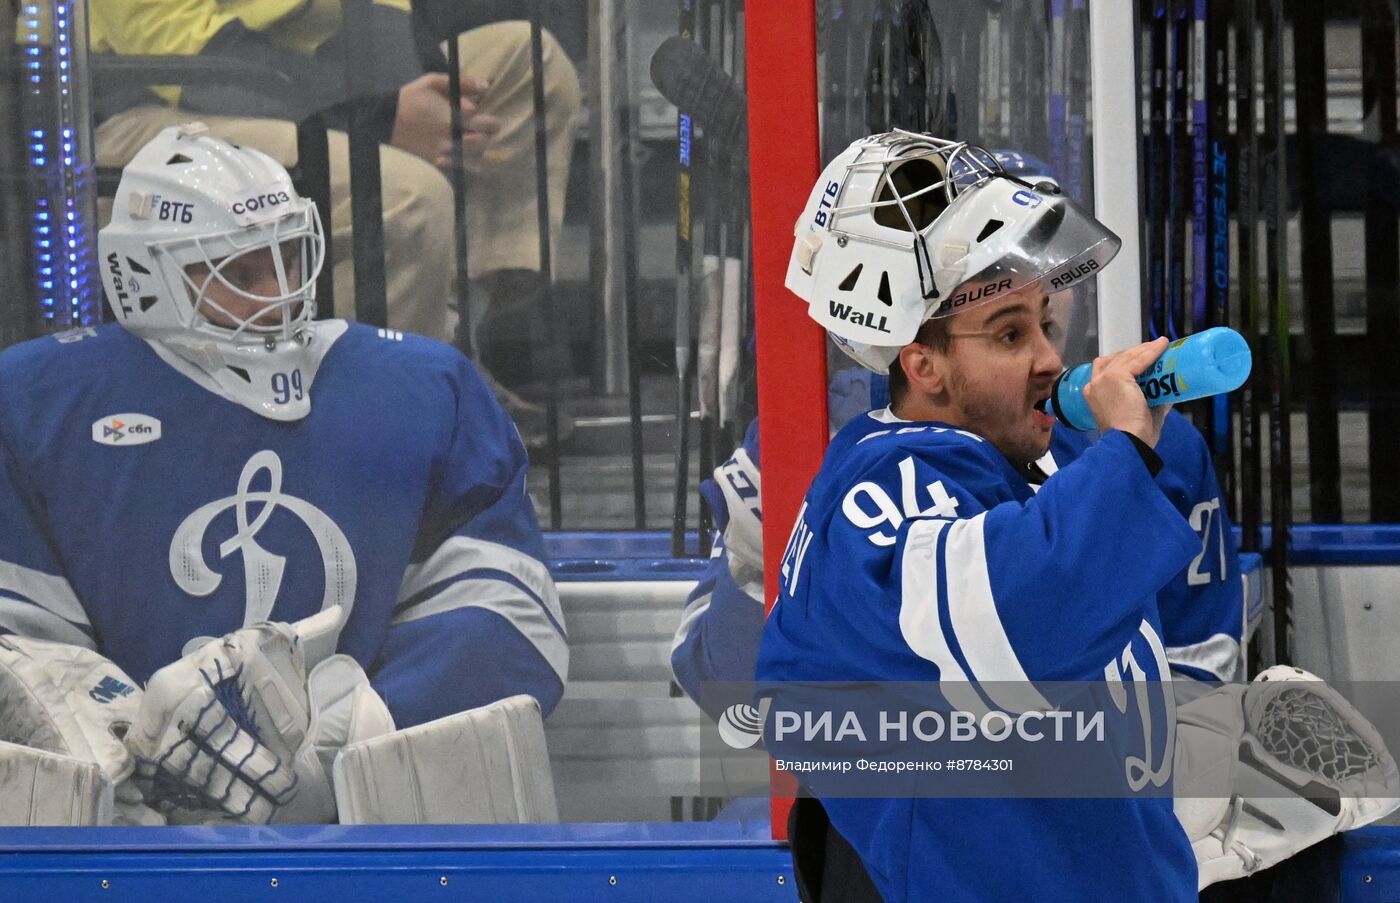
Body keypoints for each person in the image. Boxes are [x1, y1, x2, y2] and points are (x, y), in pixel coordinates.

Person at [0, 126, 568, 820]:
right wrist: (109, 746)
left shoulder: (425, 389)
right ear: (143, 275)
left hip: (370, 838)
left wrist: (357, 732)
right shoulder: (34, 404)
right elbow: (16, 634)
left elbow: (510, 615)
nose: (279, 292)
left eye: (289, 257)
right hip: (122, 852)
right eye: (239, 272)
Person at [756, 131, 1201, 902]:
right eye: (1008, 333)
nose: (1050, 359)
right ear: (920, 362)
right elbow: (1020, 623)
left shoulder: (1016, 466)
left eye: (1044, 325)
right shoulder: (888, 488)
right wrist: (1124, 449)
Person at [86, 0, 581, 395]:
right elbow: (177, 49)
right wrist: (382, 117)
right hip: (151, 108)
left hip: (297, 85)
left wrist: (421, 100)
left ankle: (454, 344)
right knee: (404, 192)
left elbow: (382, 19)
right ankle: (368, 406)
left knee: (526, 61)